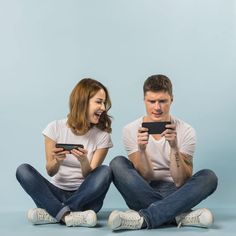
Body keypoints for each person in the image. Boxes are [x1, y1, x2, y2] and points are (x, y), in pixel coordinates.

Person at [108, 74, 218, 231]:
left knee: (209, 177)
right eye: (152, 101)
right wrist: (142, 149)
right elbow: (145, 177)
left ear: (171, 100)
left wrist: (174, 147)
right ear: (144, 100)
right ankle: (178, 215)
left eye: (162, 101)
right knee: (117, 163)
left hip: (177, 192)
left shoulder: (186, 130)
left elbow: (180, 181)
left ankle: (144, 218)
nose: (157, 107)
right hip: (143, 190)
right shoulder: (130, 130)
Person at [16, 78, 113, 227]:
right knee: (23, 170)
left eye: (104, 103)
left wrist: (84, 161)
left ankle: (55, 213)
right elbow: (50, 171)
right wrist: (57, 161)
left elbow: (91, 176)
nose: (103, 108)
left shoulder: (102, 136)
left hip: (86, 198)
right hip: (54, 194)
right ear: (83, 101)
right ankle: (68, 215)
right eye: (99, 102)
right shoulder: (54, 128)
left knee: (105, 171)